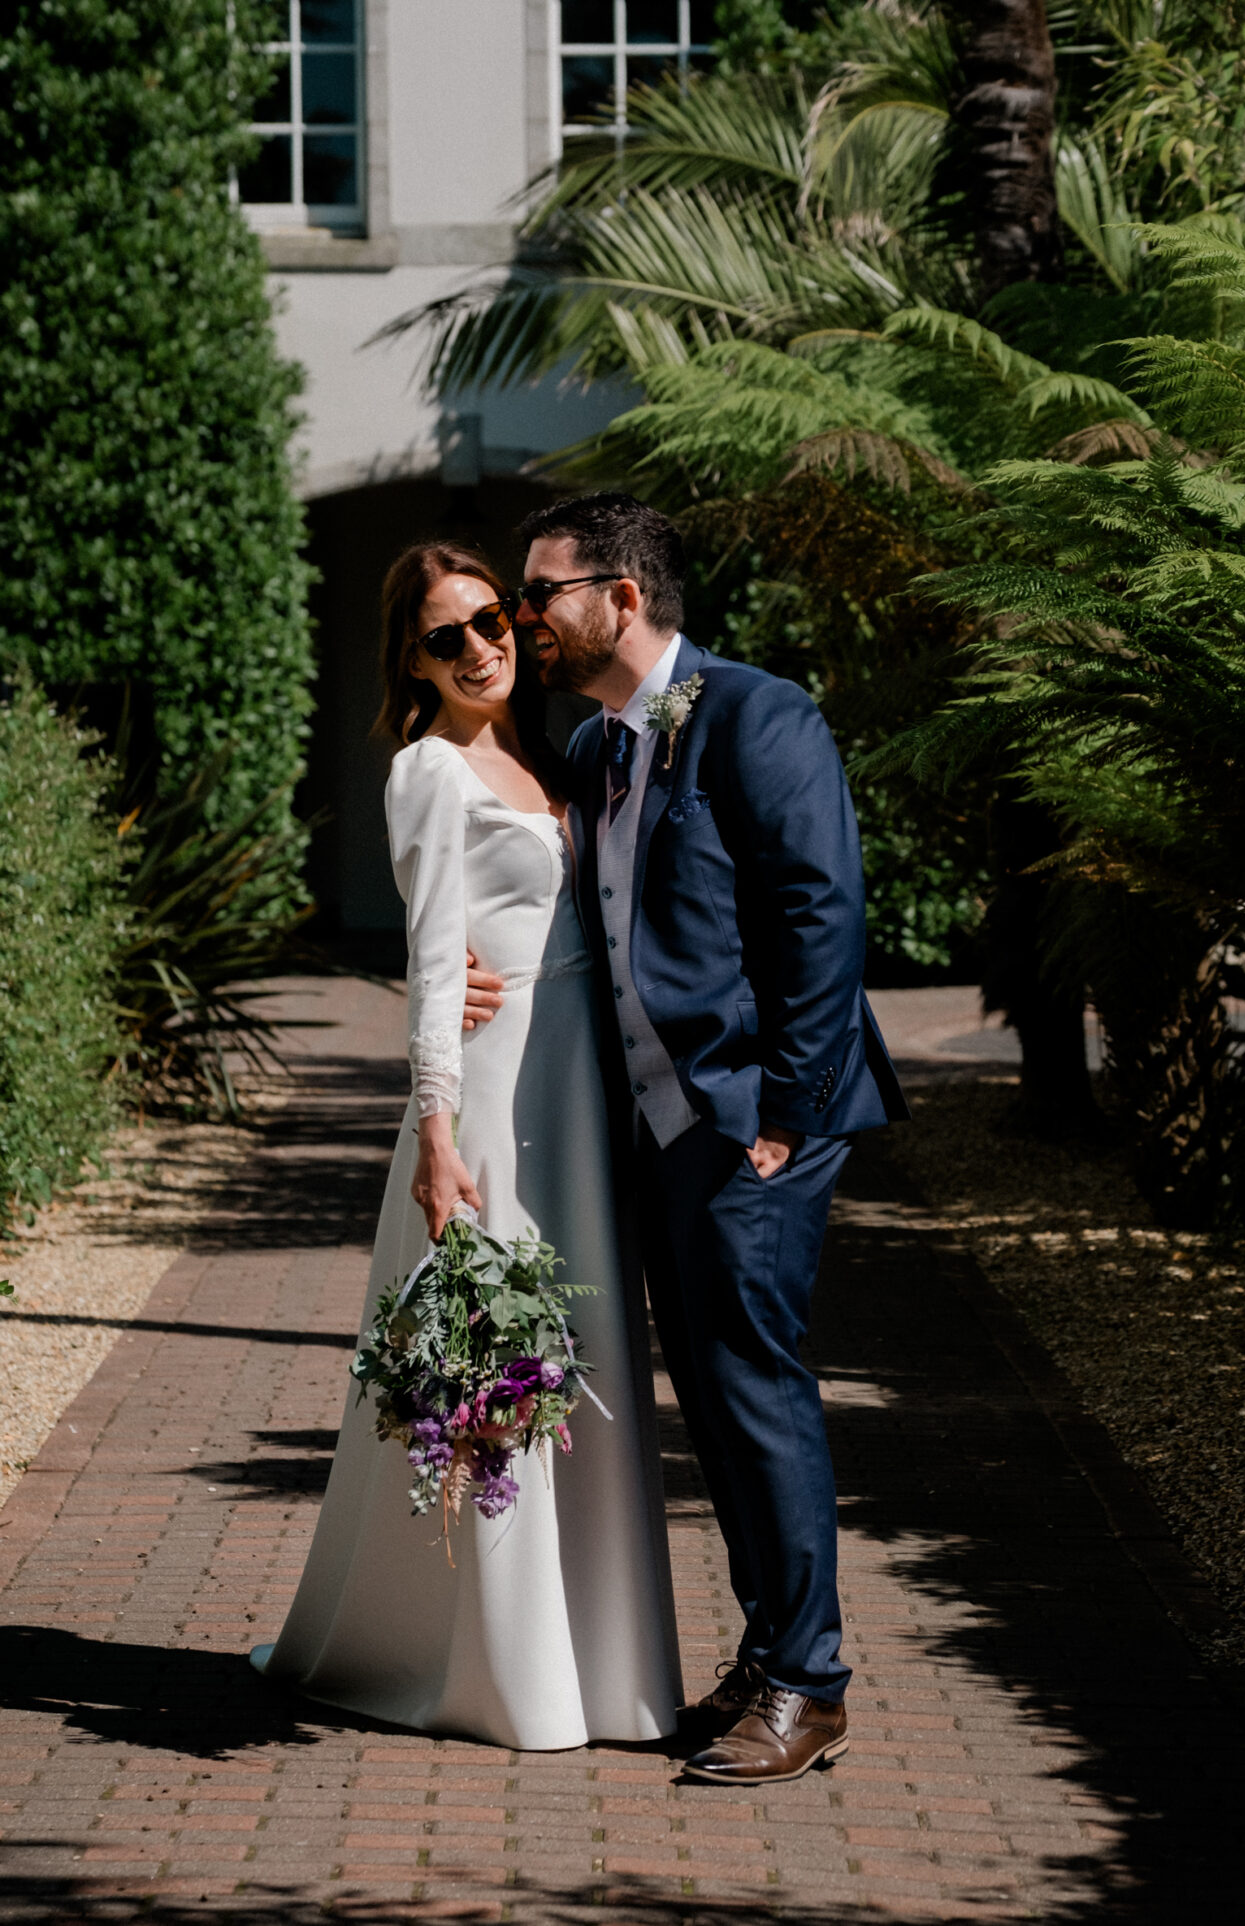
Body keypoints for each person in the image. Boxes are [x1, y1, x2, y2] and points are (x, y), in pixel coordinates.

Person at [470, 493, 907, 1784]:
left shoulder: (758, 715)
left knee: (755, 1386)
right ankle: (775, 1651)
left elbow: (821, 913)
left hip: (751, 1127)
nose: (524, 615)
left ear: (623, 595)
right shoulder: (600, 745)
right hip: (667, 1133)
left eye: (543, 591)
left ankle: (812, 1683)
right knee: (712, 1400)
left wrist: (786, 1115)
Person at [250, 541, 681, 1750]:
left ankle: (605, 1665)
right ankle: (501, 1672)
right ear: (414, 660)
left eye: (491, 619)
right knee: (499, 1358)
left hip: (579, 1099)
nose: (481, 647)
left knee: (583, 1354)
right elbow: (436, 960)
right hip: (491, 1102)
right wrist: (436, 1138)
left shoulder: (554, 754)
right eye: (448, 637)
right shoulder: (430, 772)